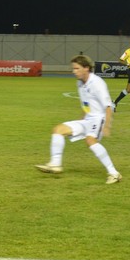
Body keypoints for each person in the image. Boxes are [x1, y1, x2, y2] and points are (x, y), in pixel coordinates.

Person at [35, 55, 122, 184]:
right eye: (73, 68)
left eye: (76, 68)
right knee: (58, 130)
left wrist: (107, 126)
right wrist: (81, 120)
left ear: (86, 68)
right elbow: (86, 103)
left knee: (90, 140)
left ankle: (114, 173)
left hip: (99, 119)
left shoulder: (97, 83)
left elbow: (108, 106)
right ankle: (55, 164)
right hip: (87, 119)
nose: (73, 71)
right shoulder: (80, 82)